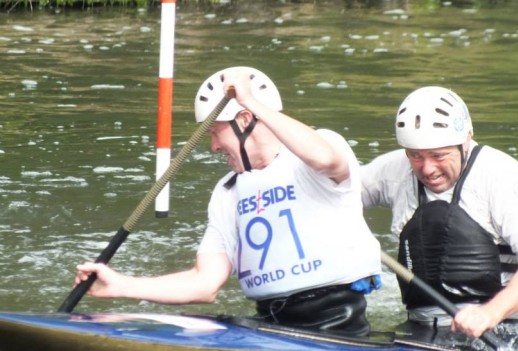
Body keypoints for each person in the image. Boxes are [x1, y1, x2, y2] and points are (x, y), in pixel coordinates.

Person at [75, 66, 382, 336]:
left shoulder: (315, 154)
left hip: (336, 324)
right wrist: (121, 286)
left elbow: (326, 159)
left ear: (246, 119)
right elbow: (204, 282)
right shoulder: (228, 191)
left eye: (215, 133)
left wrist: (250, 100)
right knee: (193, 326)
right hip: (270, 322)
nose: (212, 146)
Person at [361, 86, 518, 347]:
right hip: (421, 327)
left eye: (438, 155)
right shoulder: (392, 171)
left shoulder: (502, 177)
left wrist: (489, 313)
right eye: (415, 156)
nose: (427, 169)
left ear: (465, 141)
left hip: (504, 328)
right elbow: (333, 195)